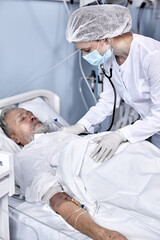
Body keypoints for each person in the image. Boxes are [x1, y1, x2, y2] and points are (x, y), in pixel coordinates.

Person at [1, 105, 160, 240]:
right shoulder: (25, 156)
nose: (32, 118)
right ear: (14, 139)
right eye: (22, 119)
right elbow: (56, 198)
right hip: (101, 170)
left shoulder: (63, 134)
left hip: (129, 152)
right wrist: (103, 234)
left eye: (31, 114)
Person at [61, 4, 160, 162]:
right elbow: (108, 100)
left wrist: (121, 135)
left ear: (105, 37)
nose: (86, 56)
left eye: (87, 50)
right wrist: (82, 126)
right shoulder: (108, 59)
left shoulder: (152, 56)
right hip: (152, 128)